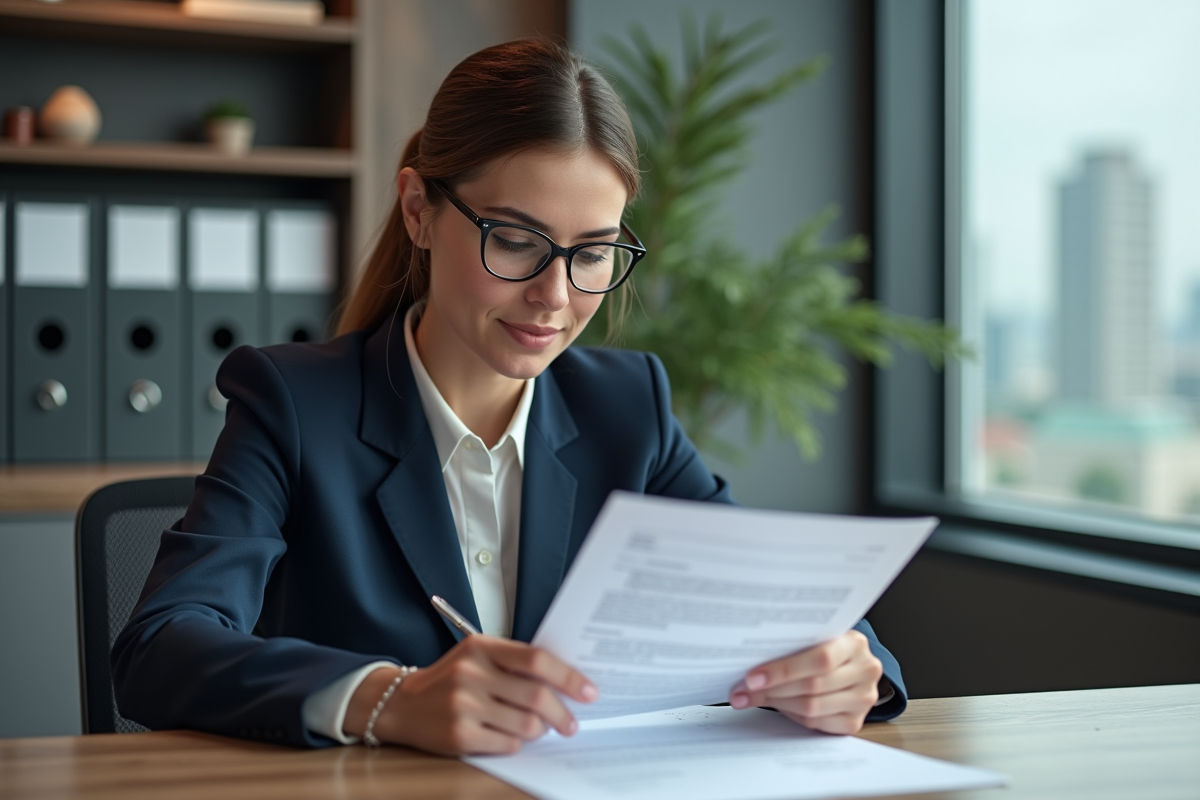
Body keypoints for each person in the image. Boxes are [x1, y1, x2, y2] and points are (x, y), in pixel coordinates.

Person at [112, 38, 905, 754]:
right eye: (517, 242)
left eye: (592, 253)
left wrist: (846, 662)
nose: (555, 296)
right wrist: (386, 699)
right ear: (420, 211)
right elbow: (161, 647)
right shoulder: (295, 404)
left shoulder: (628, 409)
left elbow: (774, 597)